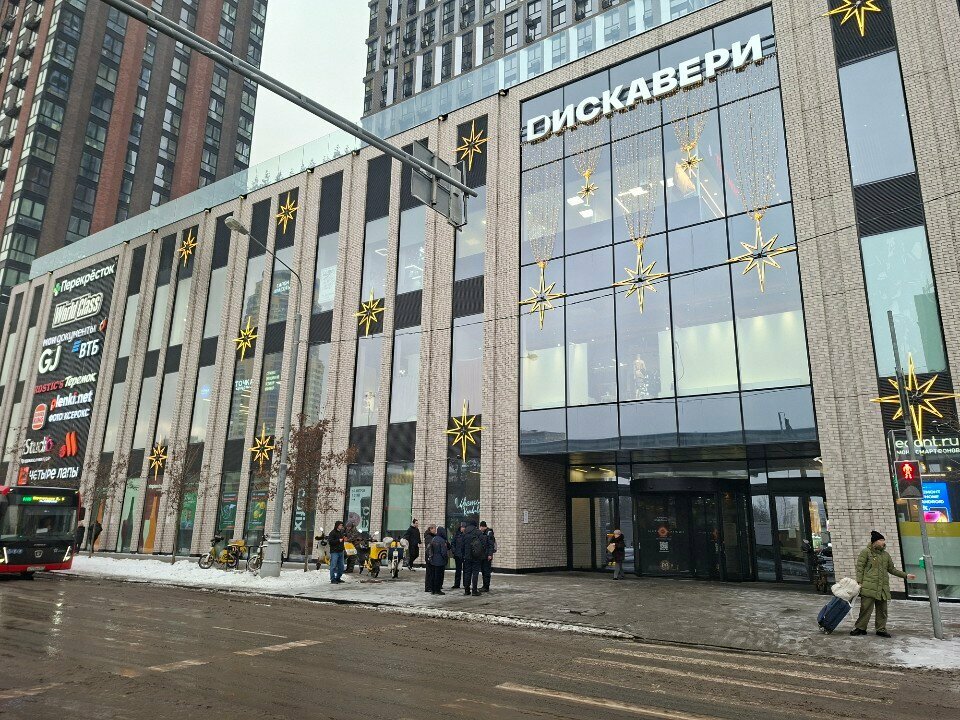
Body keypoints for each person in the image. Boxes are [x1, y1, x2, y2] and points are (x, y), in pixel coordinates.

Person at [850, 530, 916, 638]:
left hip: (882, 588)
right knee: (865, 609)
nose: (883, 542)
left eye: (883, 540)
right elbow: (860, 568)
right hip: (869, 586)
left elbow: (892, 569)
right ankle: (860, 628)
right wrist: (859, 582)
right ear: (874, 542)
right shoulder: (866, 552)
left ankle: (881, 629)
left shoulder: (886, 555)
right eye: (881, 540)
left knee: (882, 610)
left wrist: (906, 575)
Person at [461, 521, 489, 597]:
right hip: (476, 556)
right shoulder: (478, 532)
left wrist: (463, 554)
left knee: (467, 573)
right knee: (475, 573)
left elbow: (462, 545)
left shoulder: (465, 532)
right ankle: (474, 590)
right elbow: (483, 543)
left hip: (467, 556)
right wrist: (481, 553)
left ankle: (467, 590)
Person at [426, 526, 450, 595]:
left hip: (433, 560)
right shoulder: (442, 541)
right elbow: (444, 552)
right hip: (440, 561)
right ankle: (437, 590)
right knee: (439, 576)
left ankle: (433, 590)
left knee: (433, 575)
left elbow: (429, 549)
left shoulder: (433, 539)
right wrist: (446, 559)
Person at [479, 521, 497, 592]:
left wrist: (490, 554)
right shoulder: (484, 533)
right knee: (483, 571)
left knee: (486, 571)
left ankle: (486, 587)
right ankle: (484, 585)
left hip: (487, 556)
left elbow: (491, 545)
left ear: (483, 526)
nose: (480, 528)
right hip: (483, 555)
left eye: (481, 527)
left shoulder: (489, 533)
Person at [451, 523, 466, 589]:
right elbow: (453, 543)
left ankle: (466, 584)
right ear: (460, 527)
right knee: (458, 570)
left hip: (465, 555)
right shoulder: (456, 535)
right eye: (462, 527)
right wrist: (454, 551)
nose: (463, 528)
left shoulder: (466, 535)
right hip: (458, 555)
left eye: (464, 527)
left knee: (466, 571)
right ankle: (457, 584)